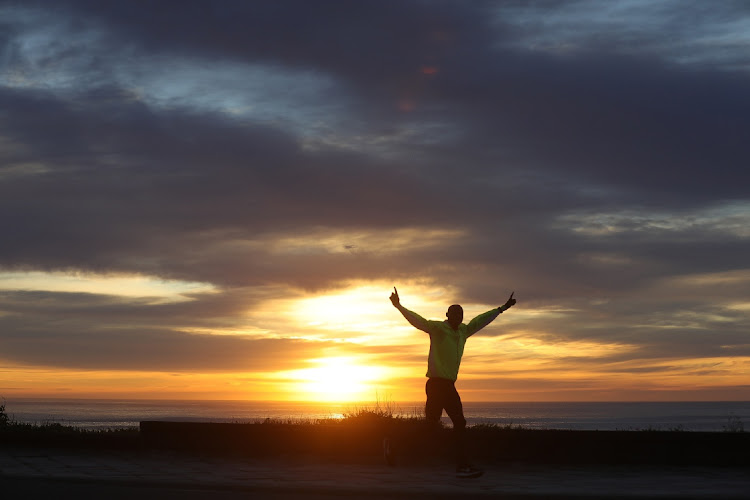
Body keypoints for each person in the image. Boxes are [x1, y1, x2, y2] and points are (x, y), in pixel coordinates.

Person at [389, 287, 516, 478]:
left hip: (448, 386)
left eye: (461, 314)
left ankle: (395, 446)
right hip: (436, 384)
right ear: (447, 315)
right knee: (446, 424)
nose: (458, 316)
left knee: (444, 424)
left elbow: (480, 320)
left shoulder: (464, 331)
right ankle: (460, 464)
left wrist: (502, 308)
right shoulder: (438, 329)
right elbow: (418, 321)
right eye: (455, 313)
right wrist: (399, 306)